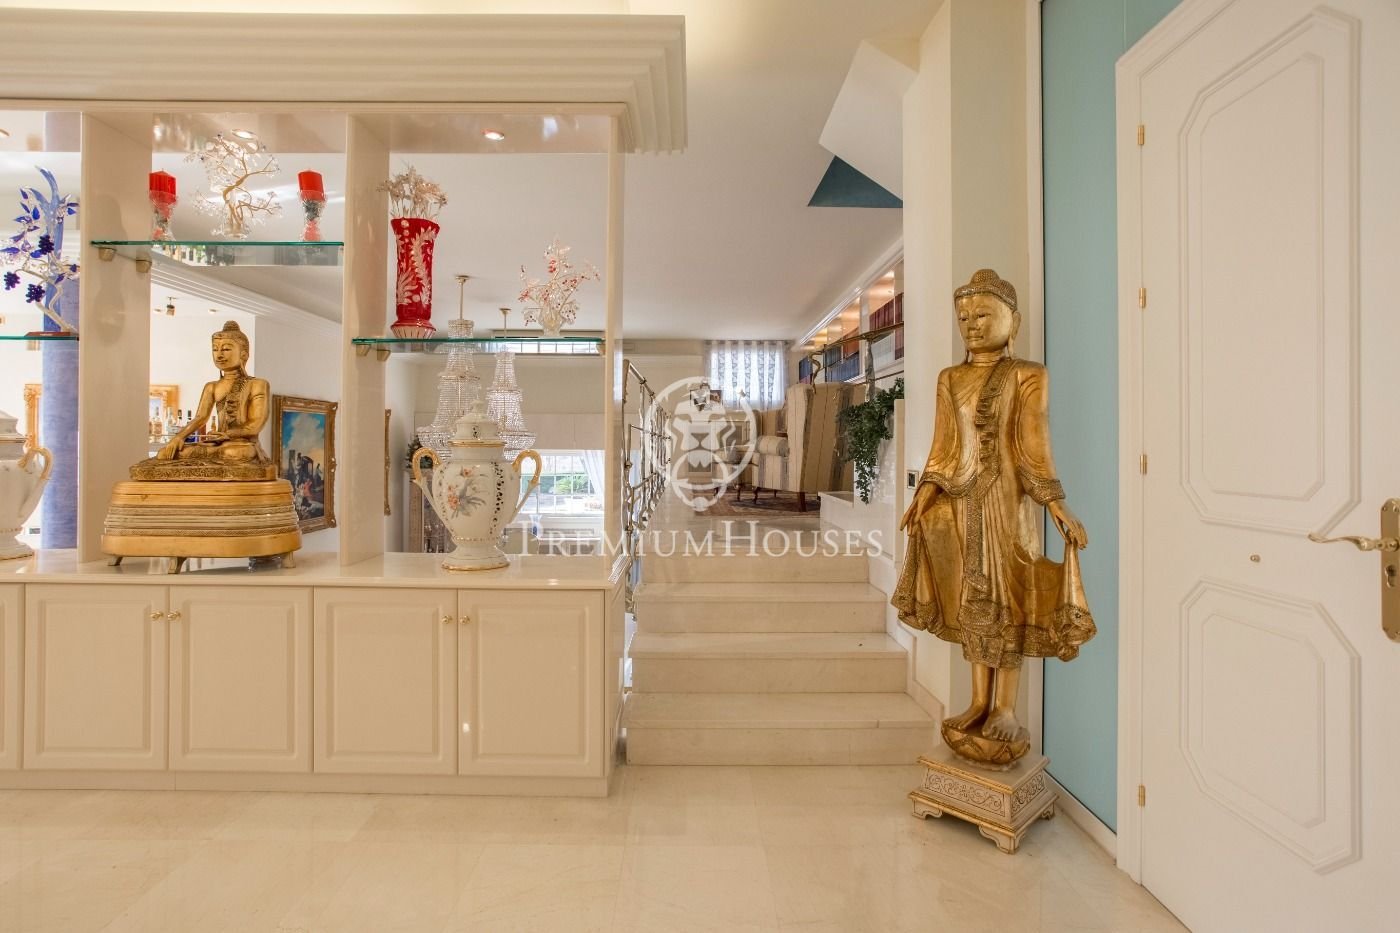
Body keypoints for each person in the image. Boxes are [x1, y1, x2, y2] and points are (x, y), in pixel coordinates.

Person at [892, 269, 1095, 766]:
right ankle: (978, 701)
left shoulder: (1028, 375)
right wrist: (925, 493)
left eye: (983, 314)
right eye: (964, 317)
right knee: (972, 600)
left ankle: (1004, 706)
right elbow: (944, 446)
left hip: (1007, 505)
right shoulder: (950, 378)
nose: (972, 325)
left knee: (1009, 599)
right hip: (959, 503)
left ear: (1012, 321)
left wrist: (1055, 503)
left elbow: (1033, 445)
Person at [132, 321, 274, 480]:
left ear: (244, 354)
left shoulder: (257, 384)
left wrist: (227, 434)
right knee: (165, 453)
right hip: (217, 444)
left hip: (241, 444)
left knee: (236, 452)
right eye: (215, 349)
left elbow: (255, 425)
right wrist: (179, 438)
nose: (219, 355)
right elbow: (200, 418)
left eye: (226, 349)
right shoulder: (211, 387)